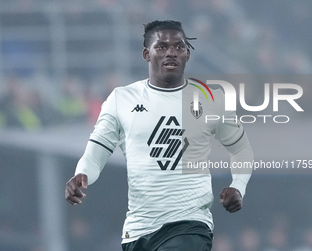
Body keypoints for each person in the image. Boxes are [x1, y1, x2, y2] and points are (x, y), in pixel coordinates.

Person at [65, 20, 253, 251]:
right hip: (137, 231)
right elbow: (95, 155)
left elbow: (241, 149)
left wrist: (238, 185)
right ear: (146, 54)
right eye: (162, 46)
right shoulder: (121, 99)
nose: (171, 52)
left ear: (188, 54)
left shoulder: (210, 98)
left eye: (179, 47)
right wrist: (81, 174)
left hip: (189, 226)